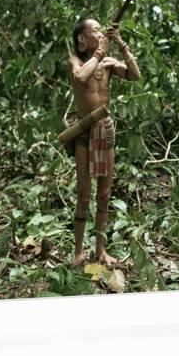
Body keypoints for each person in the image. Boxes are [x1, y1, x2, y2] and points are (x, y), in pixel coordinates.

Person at [67, 18, 141, 267]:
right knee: (84, 194)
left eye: (101, 30)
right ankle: (78, 252)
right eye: (94, 30)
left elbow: (135, 75)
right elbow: (80, 77)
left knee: (105, 194)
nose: (100, 33)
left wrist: (121, 44)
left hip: (105, 130)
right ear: (81, 38)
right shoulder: (75, 61)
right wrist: (101, 51)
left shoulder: (108, 63)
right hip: (84, 132)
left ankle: (100, 250)